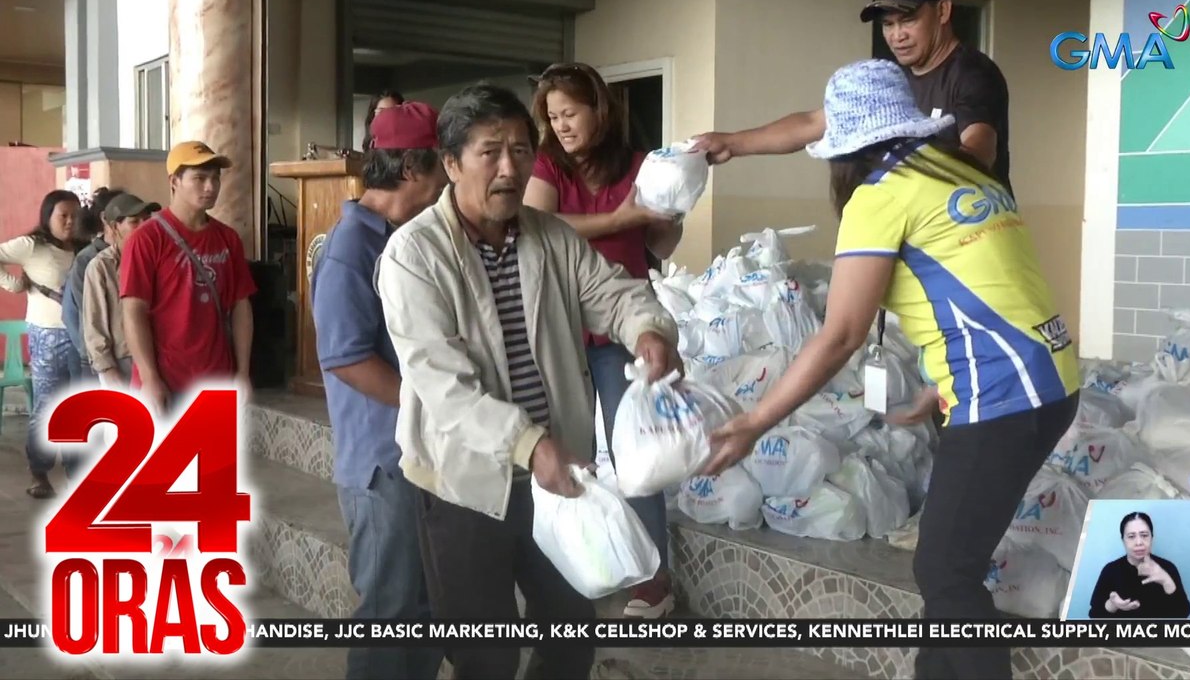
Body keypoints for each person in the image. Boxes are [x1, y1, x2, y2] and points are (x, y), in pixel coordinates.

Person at [698, 60, 1079, 680]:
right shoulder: (962, 171)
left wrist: (754, 420)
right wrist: (939, 379)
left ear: (847, 150)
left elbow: (842, 333)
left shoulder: (880, 195)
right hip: (1052, 380)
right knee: (949, 566)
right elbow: (994, 284)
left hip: (1001, 391)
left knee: (945, 572)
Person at [376, 84, 681, 680]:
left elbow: (617, 295)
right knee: (485, 655)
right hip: (464, 485)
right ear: (450, 164)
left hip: (558, 481)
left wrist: (648, 331)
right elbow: (444, 387)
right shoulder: (415, 255)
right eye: (490, 152)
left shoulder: (552, 238)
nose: (509, 169)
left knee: (570, 638)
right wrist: (529, 444)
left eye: (521, 151)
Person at [523, 62, 683, 618]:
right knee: (569, 449)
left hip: (623, 324)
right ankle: (575, 569)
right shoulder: (546, 165)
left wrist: (664, 217)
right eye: (553, 116)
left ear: (599, 109)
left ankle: (651, 580)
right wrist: (625, 216)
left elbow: (660, 239)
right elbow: (541, 224)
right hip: (561, 327)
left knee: (636, 451)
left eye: (570, 113)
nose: (561, 125)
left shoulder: (640, 165)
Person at [311, 101, 448, 680]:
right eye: (445, 162)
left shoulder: (406, 237)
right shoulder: (352, 247)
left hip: (413, 455)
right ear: (414, 169)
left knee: (423, 611)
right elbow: (345, 358)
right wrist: (434, 405)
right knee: (389, 616)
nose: (450, 176)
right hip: (381, 464)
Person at [692, 0, 1013, 192]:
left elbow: (981, 149)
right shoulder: (891, 81)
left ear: (942, 12)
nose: (897, 35)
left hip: (974, 233)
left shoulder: (973, 73)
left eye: (908, 20)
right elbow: (811, 124)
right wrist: (731, 143)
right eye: (888, 24)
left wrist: (909, 190)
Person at [120, 141, 258, 410]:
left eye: (215, 179)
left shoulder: (228, 238)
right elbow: (133, 311)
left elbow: (241, 306)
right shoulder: (146, 239)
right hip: (166, 382)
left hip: (216, 380)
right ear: (174, 181)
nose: (210, 187)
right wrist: (150, 378)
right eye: (199, 178)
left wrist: (242, 372)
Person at [0, 190, 83, 498]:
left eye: (75, 215)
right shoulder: (32, 246)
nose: (70, 222)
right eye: (63, 215)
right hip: (46, 336)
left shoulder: (84, 249)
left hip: (79, 336)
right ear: (47, 216)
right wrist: (14, 284)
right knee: (47, 405)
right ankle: (40, 471)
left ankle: (77, 472)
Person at [82, 193, 160, 387]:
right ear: (115, 227)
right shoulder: (101, 266)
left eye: (147, 220)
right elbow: (94, 323)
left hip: (158, 355)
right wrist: (107, 368)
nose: (144, 226)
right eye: (134, 221)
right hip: (122, 360)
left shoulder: (160, 259)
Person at [63, 186, 125, 379]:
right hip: (98, 359)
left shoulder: (135, 254)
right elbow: (87, 316)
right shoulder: (88, 260)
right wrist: (104, 363)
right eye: (132, 219)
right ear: (107, 221)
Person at [1088, 512, 1190, 620]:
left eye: (1144, 535)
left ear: (1152, 537)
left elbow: (1183, 613)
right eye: (1131, 536)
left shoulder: (1168, 567)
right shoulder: (1110, 571)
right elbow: (1094, 615)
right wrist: (1112, 605)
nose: (1138, 542)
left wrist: (1167, 581)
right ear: (1123, 540)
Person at [361, 90, 404, 155]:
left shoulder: (409, 147)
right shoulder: (370, 144)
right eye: (381, 112)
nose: (386, 118)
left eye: (391, 112)